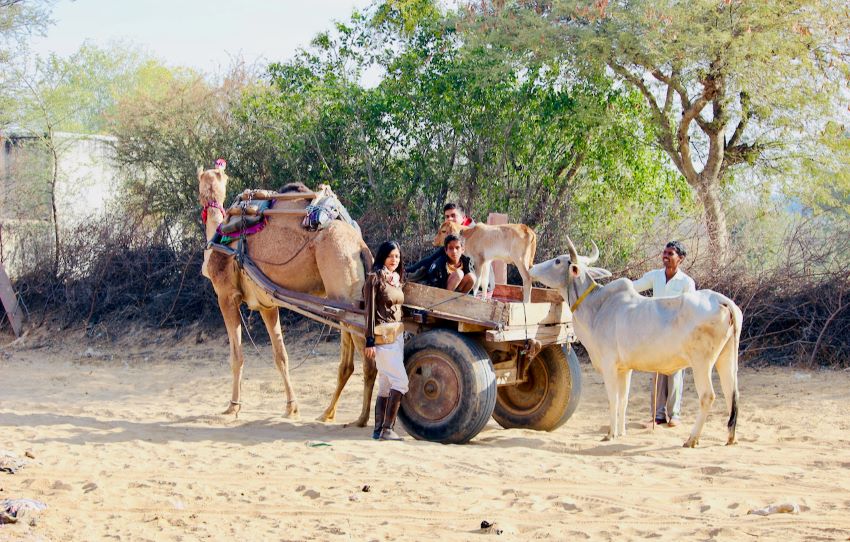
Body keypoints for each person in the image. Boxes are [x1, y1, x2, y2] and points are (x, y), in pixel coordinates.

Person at [631, 240, 696, 427]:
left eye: (670, 254)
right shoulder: (655, 276)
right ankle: (658, 415)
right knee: (657, 372)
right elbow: (634, 287)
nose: (665, 256)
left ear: (680, 259)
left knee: (675, 372)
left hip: (677, 333)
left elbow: (690, 308)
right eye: (665, 253)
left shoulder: (686, 282)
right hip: (656, 332)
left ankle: (674, 414)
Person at [364, 241, 408, 441]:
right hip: (382, 338)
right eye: (390, 256)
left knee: (386, 383)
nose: (394, 260)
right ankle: (388, 429)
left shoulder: (396, 279)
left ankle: (378, 429)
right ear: (382, 256)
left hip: (397, 335)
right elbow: (370, 312)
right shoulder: (375, 278)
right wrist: (369, 341)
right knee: (401, 381)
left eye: (397, 256)